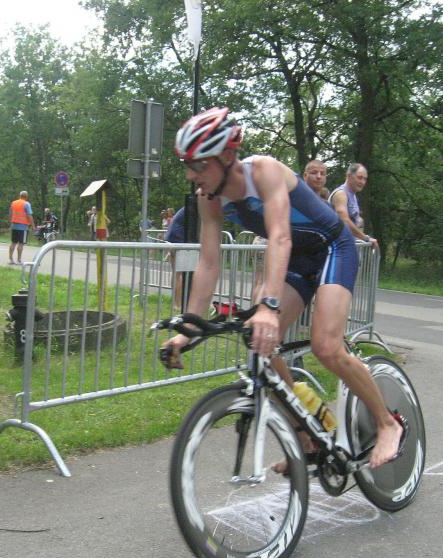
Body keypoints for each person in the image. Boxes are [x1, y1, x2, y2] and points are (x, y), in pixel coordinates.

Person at [163, 106, 402, 470]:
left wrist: (268, 306)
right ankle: (307, 437)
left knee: (326, 347)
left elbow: (279, 236)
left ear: (226, 156)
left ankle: (387, 424)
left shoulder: (264, 171)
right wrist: (188, 328)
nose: (190, 175)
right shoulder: (208, 198)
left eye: (198, 164)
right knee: (260, 344)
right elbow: (209, 263)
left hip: (331, 249)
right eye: (187, 165)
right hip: (297, 261)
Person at [328, 163, 377, 248]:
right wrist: (366, 238)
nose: (362, 182)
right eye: (359, 177)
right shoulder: (341, 194)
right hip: (337, 249)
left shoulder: (352, 195)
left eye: (365, 179)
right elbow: (344, 221)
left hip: (346, 247)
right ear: (349, 176)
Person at [164, 207, 186, 311]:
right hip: (177, 239)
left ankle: (177, 303)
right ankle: (178, 304)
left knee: (177, 273)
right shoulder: (197, 206)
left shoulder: (187, 207)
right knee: (179, 274)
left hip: (171, 238)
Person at [8, 191, 34, 264]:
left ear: (20, 196)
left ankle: (11, 259)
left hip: (14, 226)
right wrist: (33, 226)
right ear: (26, 196)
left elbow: (10, 213)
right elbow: (29, 215)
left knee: (13, 243)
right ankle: (19, 260)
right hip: (23, 227)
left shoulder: (14, 203)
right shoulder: (26, 204)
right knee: (21, 244)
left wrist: (11, 223)